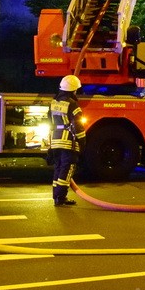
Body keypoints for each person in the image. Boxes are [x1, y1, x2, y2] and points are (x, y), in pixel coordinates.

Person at [50, 75, 86, 206]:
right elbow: (78, 125)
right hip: (68, 142)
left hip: (55, 140)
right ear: (73, 90)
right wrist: (82, 142)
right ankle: (61, 197)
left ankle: (56, 196)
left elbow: (51, 122)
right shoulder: (72, 104)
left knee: (59, 168)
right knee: (67, 168)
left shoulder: (54, 102)